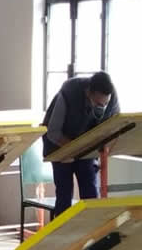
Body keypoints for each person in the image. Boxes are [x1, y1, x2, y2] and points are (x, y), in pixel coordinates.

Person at [43, 72, 119, 217]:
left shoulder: (112, 98)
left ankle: (92, 228)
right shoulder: (69, 92)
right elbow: (53, 132)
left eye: (105, 104)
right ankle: (63, 229)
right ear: (88, 93)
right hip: (59, 147)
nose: (102, 108)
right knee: (64, 194)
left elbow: (114, 126)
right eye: (98, 104)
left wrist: (101, 146)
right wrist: (75, 148)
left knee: (90, 193)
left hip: (87, 149)